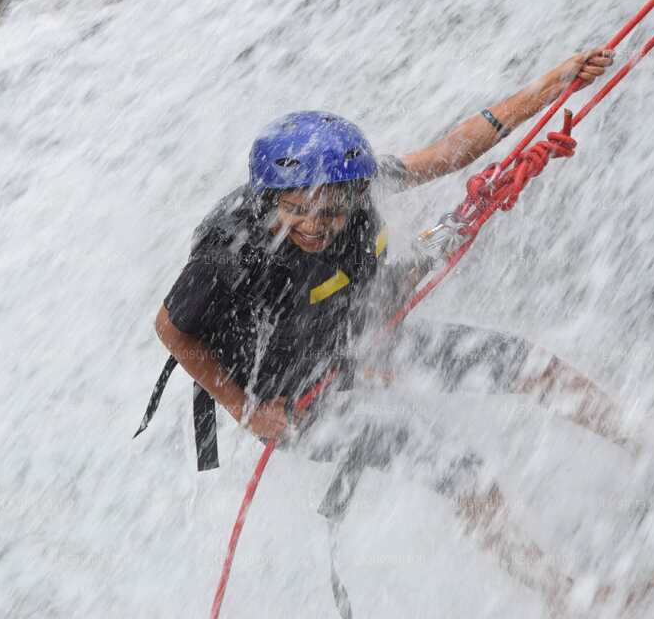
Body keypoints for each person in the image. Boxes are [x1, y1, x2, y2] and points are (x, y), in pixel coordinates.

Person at [146, 48, 628, 611]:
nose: (314, 226)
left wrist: (548, 88)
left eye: (331, 212)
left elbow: (447, 155)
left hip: (349, 337)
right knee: (459, 470)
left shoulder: (359, 184)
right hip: (288, 396)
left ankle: (647, 438)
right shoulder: (231, 249)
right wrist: (246, 409)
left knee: (520, 362)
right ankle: (572, 600)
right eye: (297, 210)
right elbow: (172, 331)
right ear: (270, 197)